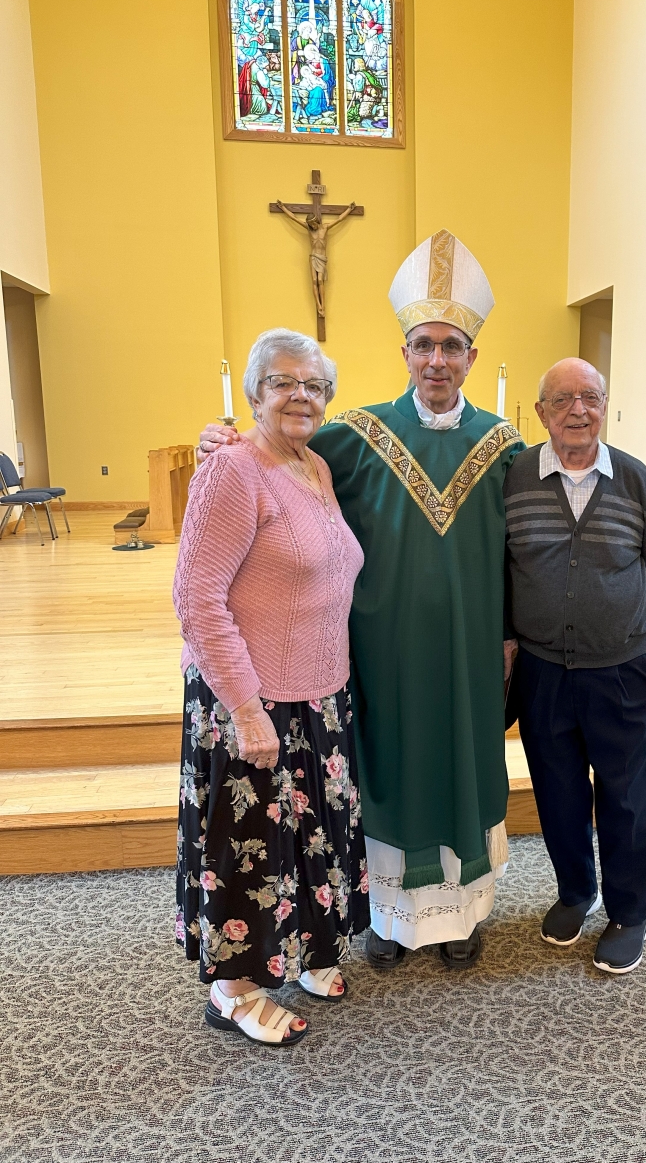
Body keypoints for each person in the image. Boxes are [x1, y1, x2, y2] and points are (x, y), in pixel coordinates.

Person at [199, 232, 646, 972]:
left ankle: (460, 918)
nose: (438, 360)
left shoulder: (506, 446)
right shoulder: (353, 436)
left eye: (453, 346)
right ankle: (387, 917)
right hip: (380, 653)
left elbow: (580, 483)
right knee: (386, 770)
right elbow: (277, 453)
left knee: (464, 763)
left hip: (473, 650)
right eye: (424, 345)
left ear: (472, 358)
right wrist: (220, 441)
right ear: (405, 353)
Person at [174, 328, 368, 1047]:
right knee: (248, 847)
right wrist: (248, 711)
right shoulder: (232, 470)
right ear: (255, 392)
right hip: (249, 701)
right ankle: (233, 990)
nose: (300, 395)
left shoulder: (314, 465)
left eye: (314, 386)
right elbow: (196, 598)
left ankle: (306, 948)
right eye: (284, 381)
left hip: (317, 695)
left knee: (308, 838)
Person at [504, 358, 646, 975]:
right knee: (560, 794)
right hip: (544, 670)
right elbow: (500, 566)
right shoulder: (516, 477)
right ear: (542, 410)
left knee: (629, 797)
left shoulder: (635, 481)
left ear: (605, 406)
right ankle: (578, 891)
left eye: (591, 397)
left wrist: (614, 618)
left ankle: (630, 913)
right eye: (563, 399)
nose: (579, 409)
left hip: (623, 669)